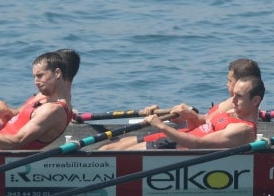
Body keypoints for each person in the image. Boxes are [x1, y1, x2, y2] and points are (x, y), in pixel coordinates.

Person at [98, 58, 261, 150]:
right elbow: (203, 125)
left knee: (110, 152)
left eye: (229, 81)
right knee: (107, 148)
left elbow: (199, 142)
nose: (227, 85)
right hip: (182, 135)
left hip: (181, 146)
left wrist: (161, 125)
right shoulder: (234, 109)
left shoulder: (242, 124)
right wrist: (188, 117)